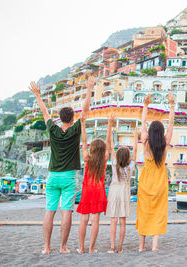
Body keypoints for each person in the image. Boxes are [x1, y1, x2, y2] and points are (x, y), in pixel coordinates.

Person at [29, 77, 95, 254]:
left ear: (60, 118)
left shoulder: (53, 129)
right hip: (67, 177)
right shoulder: (75, 130)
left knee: (49, 212)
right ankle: (63, 247)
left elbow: (44, 112)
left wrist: (37, 95)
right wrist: (89, 89)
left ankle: (46, 248)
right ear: (72, 119)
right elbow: (86, 112)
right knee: (66, 211)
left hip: (52, 176)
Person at [136, 93, 175, 252]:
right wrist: (172, 106)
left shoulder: (145, 142)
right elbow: (171, 126)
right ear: (161, 132)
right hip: (160, 181)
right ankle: (155, 246)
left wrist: (145, 105)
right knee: (159, 212)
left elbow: (143, 122)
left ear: (150, 133)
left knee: (143, 212)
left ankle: (141, 246)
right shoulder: (165, 144)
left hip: (146, 181)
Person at [76, 113, 114, 254]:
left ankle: (81, 248)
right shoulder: (104, 158)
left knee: (84, 220)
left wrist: (82, 124)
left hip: (86, 191)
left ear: (92, 149)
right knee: (95, 220)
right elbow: (108, 142)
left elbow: (84, 140)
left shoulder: (87, 157)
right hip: (98, 191)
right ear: (103, 149)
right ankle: (91, 248)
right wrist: (110, 124)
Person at [106, 127, 138, 253]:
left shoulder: (114, 163)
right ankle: (120, 247)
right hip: (125, 190)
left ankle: (112, 247)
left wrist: (111, 132)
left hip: (114, 189)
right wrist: (136, 137)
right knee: (122, 221)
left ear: (118, 155)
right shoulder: (131, 165)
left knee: (113, 220)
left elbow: (111, 147)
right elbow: (135, 150)